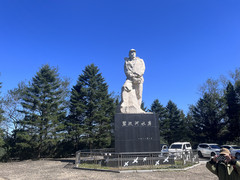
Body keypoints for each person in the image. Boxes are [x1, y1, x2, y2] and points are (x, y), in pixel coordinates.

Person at [119, 49, 145, 113]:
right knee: (124, 87)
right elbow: (126, 71)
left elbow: (143, 69)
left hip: (139, 79)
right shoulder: (127, 62)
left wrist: (138, 75)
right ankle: (124, 103)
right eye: (131, 53)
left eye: (134, 52)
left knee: (138, 94)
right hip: (130, 78)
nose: (132, 54)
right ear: (129, 54)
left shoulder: (140, 60)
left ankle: (138, 108)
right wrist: (131, 75)